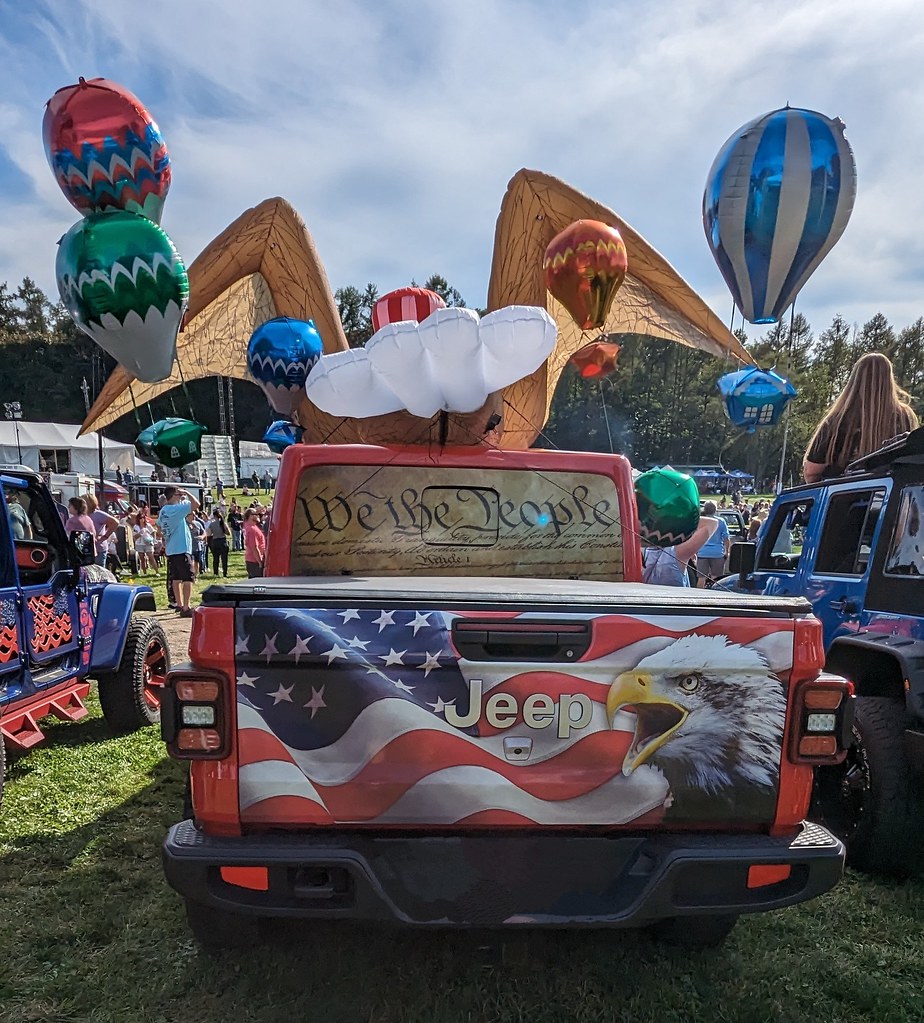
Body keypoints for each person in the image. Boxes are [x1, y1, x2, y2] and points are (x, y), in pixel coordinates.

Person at [804, 352, 919, 483]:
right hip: (890, 498)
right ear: (890, 379)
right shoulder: (905, 417)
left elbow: (811, 472)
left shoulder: (837, 421)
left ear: (855, 380)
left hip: (842, 498)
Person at [157, 486, 200, 617]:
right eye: (178, 494)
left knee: (176, 578)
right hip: (182, 548)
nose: (180, 495)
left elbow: (158, 526)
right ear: (173, 495)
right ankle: (186, 607)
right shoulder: (177, 509)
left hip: (171, 549)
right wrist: (187, 492)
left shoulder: (164, 510)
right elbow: (196, 504)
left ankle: (179, 604)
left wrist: (165, 538)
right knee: (188, 578)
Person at [642, 517, 718, 587]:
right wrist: (674, 519)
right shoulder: (677, 552)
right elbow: (711, 524)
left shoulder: (640, 551)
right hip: (674, 599)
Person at [694, 500, 731, 587]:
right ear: (715, 510)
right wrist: (727, 551)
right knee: (716, 577)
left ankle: (698, 594)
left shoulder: (700, 521)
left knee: (701, 578)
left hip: (702, 552)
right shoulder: (721, 521)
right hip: (717, 553)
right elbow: (726, 538)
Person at [84, 493, 118, 567]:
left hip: (99, 548)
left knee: (99, 571)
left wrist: (105, 536)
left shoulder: (98, 514)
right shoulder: (82, 515)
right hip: (86, 549)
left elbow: (115, 522)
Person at [206, 509, 230, 577]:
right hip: (223, 541)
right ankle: (225, 573)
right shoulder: (223, 523)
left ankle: (216, 573)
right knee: (224, 559)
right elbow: (228, 533)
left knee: (215, 558)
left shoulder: (212, 524)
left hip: (215, 541)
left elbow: (209, 534)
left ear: (214, 516)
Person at [243, 508, 266, 578]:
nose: (258, 516)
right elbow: (254, 548)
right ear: (250, 516)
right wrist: (260, 562)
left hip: (252, 560)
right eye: (256, 514)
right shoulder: (252, 529)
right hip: (254, 561)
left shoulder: (250, 526)